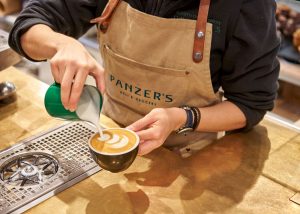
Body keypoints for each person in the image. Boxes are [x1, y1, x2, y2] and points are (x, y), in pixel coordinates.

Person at [9, 0, 280, 156]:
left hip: (185, 156)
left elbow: (251, 104)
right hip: (109, 134)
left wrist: (182, 118)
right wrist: (60, 44)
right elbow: (29, 25)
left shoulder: (246, 5)